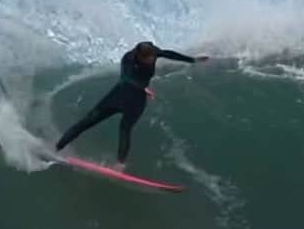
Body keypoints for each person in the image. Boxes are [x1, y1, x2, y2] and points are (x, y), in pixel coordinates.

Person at [56, 40, 209, 167]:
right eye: (148, 59)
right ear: (139, 56)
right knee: (88, 121)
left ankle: (120, 165)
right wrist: (143, 88)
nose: (152, 60)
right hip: (119, 95)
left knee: (125, 129)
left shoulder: (153, 52)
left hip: (136, 101)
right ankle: (58, 148)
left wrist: (192, 60)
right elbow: (125, 78)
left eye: (152, 57)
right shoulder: (128, 58)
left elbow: (169, 54)